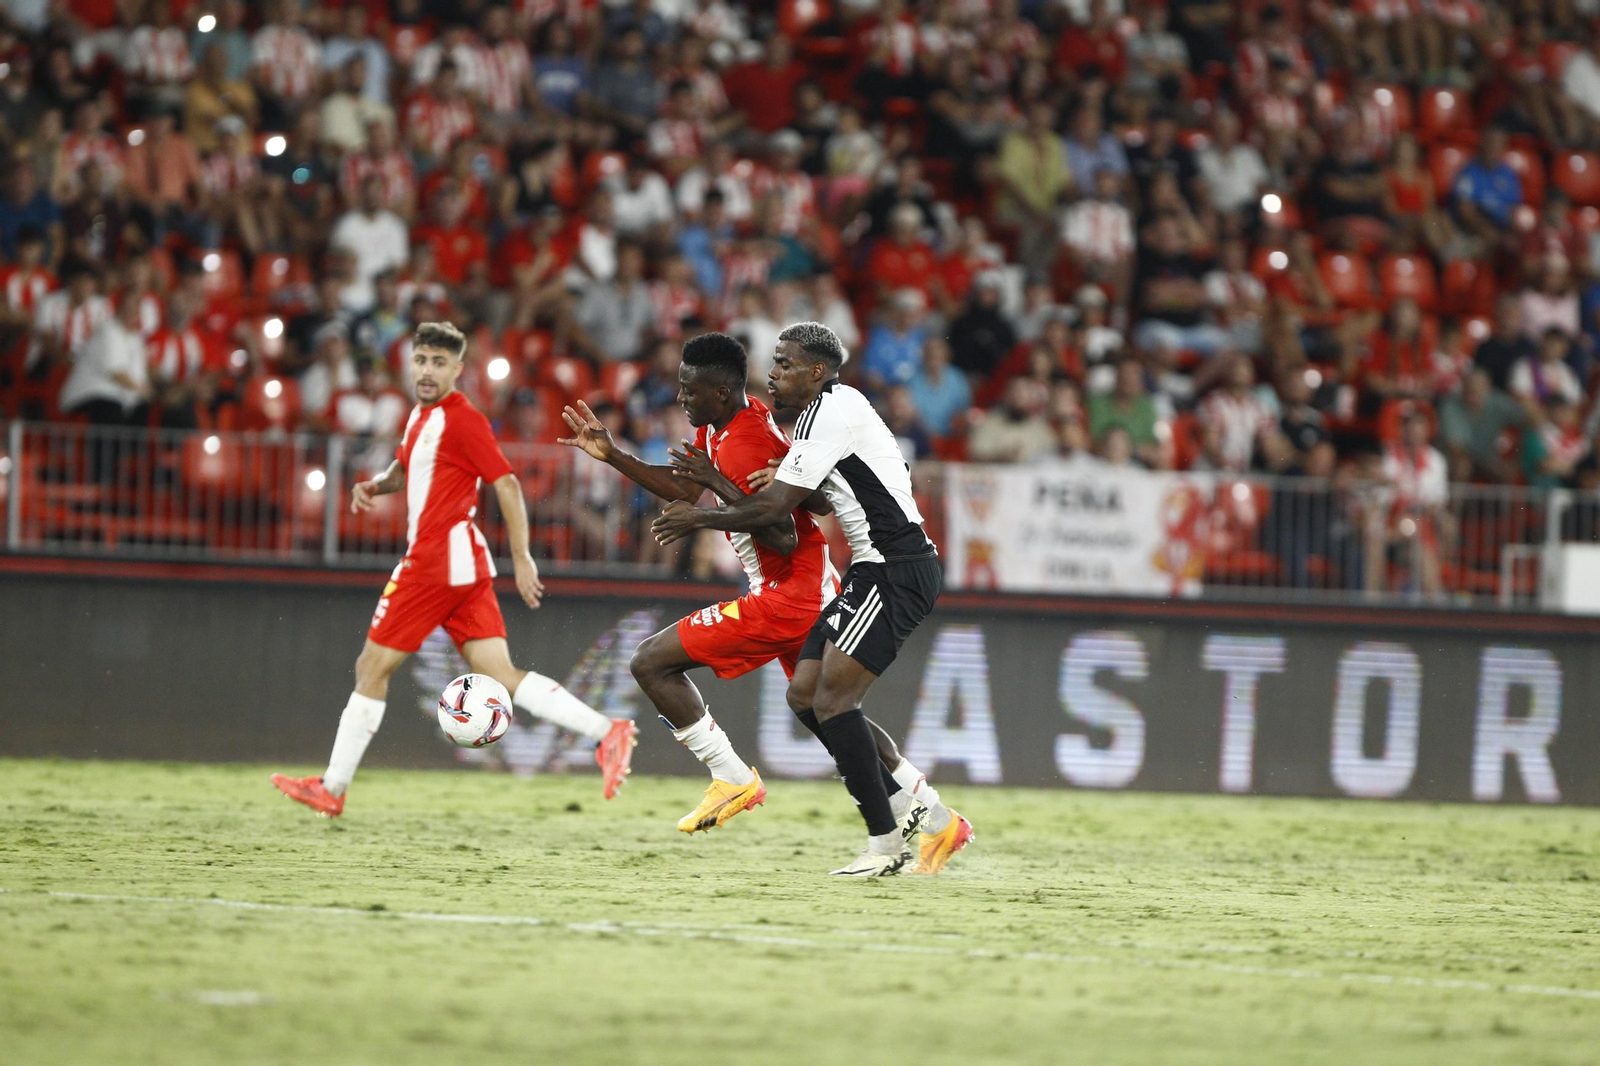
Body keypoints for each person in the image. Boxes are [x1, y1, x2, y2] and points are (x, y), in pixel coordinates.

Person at [558, 332, 952, 845]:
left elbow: (783, 532)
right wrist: (612, 455)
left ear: (719, 392)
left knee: (650, 662)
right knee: (830, 716)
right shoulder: (726, 426)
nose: (680, 398)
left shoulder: (744, 441)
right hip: (811, 585)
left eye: (688, 389)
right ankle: (933, 814)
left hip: (786, 594)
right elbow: (683, 484)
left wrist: (701, 515)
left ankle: (733, 778)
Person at [271, 322, 637, 818]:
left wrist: (524, 556)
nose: (426, 370)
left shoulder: (463, 420)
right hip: (462, 564)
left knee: (370, 668)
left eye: (438, 363)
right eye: (421, 360)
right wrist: (377, 486)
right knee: (499, 675)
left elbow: (506, 484)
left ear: (458, 370)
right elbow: (405, 468)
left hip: (434, 564)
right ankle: (607, 732)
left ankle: (332, 788)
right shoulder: (421, 416)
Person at [651, 322, 973, 877]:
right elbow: (822, 500)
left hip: (893, 567)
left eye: (785, 364)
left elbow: (777, 514)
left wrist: (700, 515)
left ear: (816, 372)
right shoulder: (818, 416)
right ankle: (935, 819)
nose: (772, 374)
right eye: (774, 363)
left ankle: (885, 843)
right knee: (806, 696)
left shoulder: (829, 413)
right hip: (869, 571)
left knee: (832, 703)